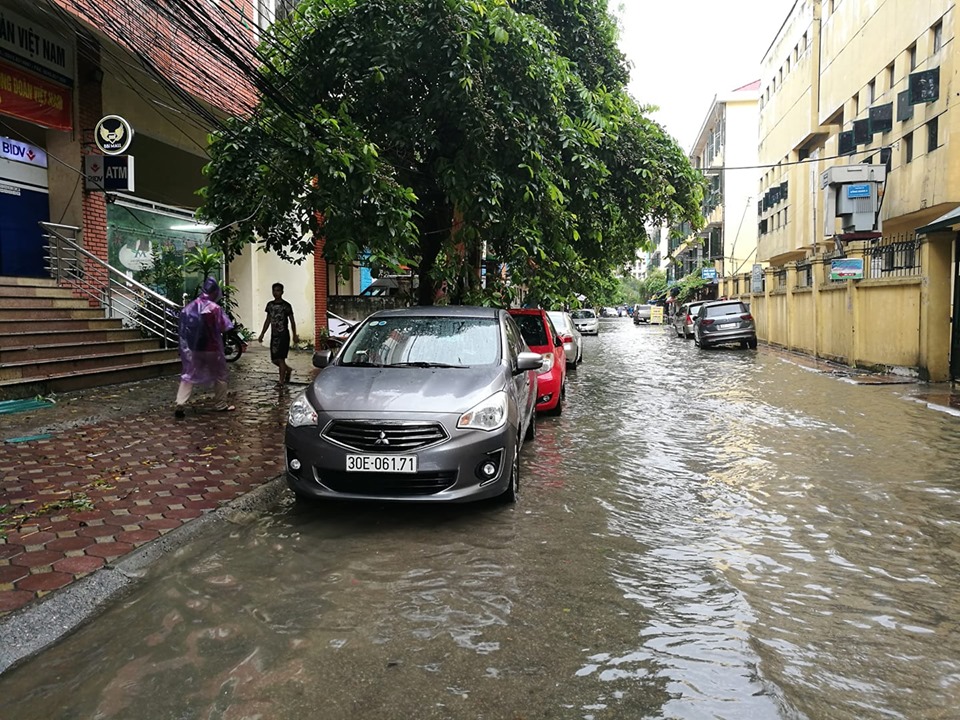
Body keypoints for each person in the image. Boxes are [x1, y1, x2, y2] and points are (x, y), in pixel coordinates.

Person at [174, 277, 235, 418]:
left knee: (189, 375)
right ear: (214, 292)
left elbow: (183, 329)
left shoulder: (190, 307)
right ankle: (221, 404)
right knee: (220, 375)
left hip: (195, 349)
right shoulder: (214, 308)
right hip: (212, 348)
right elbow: (225, 327)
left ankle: (180, 403)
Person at [258, 282, 298, 386]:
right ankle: (287, 369)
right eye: (274, 290)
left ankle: (281, 381)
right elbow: (268, 320)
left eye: (278, 290)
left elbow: (292, 321)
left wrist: (294, 335)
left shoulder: (286, 306)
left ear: (282, 292)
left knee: (281, 359)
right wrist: (262, 333)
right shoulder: (270, 305)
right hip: (274, 335)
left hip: (283, 335)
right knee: (274, 359)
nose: (276, 293)